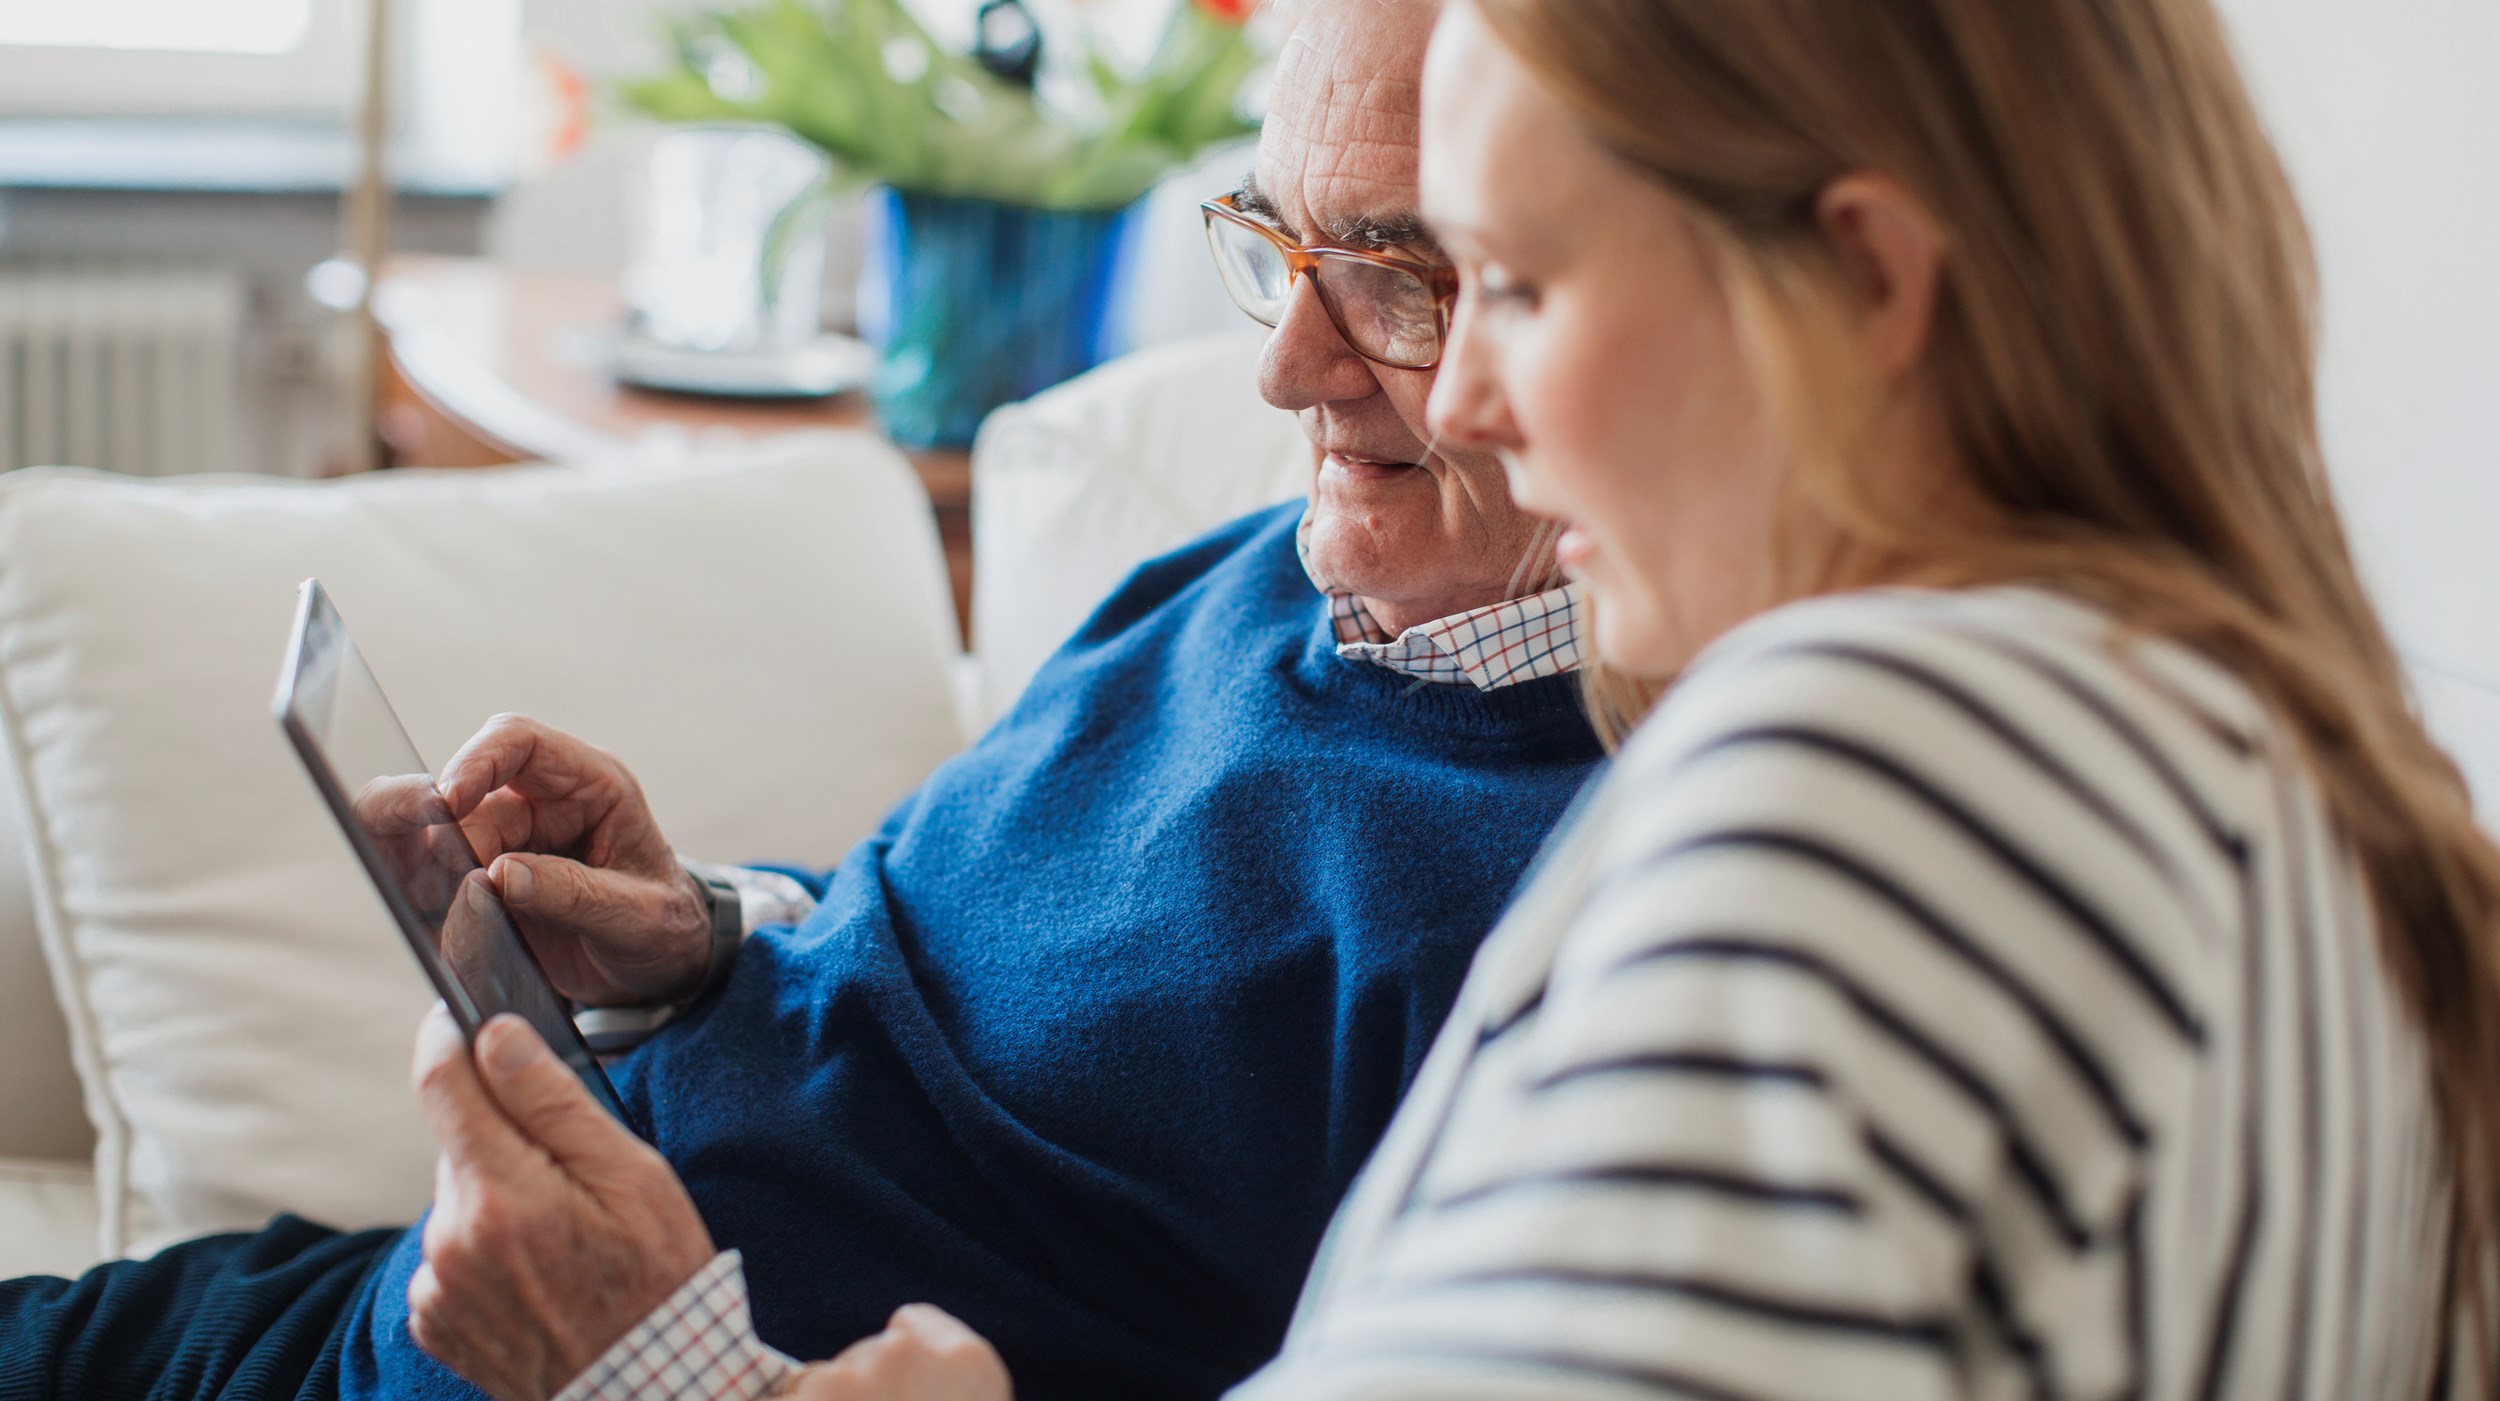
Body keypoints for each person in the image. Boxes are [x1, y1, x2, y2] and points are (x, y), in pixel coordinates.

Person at [546, 0, 2500, 1394]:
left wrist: (672, 1378)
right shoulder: (2297, 792)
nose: (1467, 398)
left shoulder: (1897, 772)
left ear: (1862, 287)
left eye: (1516, 285)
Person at [0, 4, 1606, 1400]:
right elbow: (940, 949)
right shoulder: (1261, 571)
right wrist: (703, 935)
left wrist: (658, 1369)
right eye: (1276, 245)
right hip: (370, 1305)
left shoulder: (1578, 908)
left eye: (1397, 281)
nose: (1285, 367)